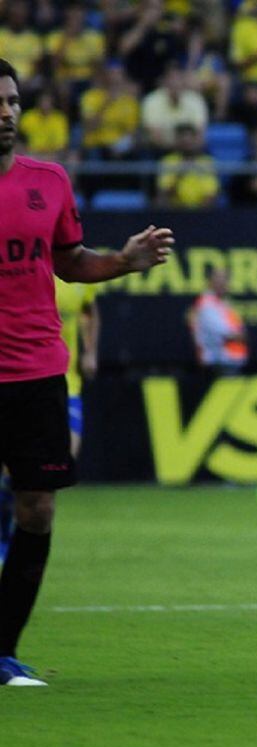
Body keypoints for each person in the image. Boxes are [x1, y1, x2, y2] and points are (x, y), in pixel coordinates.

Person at [0, 58, 174, 687]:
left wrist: (124, 262)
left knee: (37, 508)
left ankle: (2, 650)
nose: (7, 112)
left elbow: (70, 263)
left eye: (14, 101)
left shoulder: (48, 182)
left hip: (37, 370)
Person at [54, 278, 100, 458]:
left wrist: (90, 352)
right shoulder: (27, 271)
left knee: (67, 457)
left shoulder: (78, 272)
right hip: (28, 375)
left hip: (68, 378)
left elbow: (90, 311)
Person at [188, 267, 248, 376]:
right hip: (219, 362)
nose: (223, 283)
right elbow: (225, 333)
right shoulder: (207, 304)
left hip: (228, 361)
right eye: (218, 279)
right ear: (210, 281)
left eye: (225, 279)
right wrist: (240, 336)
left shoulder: (222, 302)